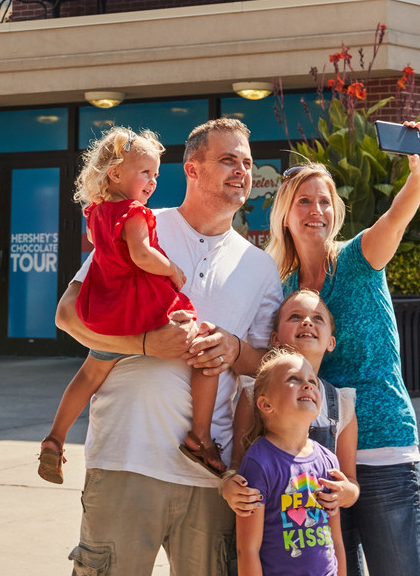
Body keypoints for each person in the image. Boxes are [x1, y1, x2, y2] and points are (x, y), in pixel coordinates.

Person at [55, 118, 283, 576]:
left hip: (208, 474)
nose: (241, 171)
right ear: (191, 169)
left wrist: (233, 350)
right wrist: (145, 344)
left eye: (247, 162)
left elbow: (268, 367)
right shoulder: (138, 224)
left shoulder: (260, 267)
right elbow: (68, 316)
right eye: (227, 160)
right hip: (125, 459)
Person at [267, 121, 420, 576]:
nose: (315, 210)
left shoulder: (359, 259)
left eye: (325, 201)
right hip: (317, 455)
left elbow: (396, 217)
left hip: (385, 450)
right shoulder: (281, 288)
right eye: (304, 201)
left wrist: (418, 176)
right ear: (286, 213)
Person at [39, 127, 222, 484]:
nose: (152, 181)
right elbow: (140, 255)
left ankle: (55, 437)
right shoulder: (135, 212)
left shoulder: (96, 213)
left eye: (155, 174)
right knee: (203, 346)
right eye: (145, 173)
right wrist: (171, 268)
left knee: (90, 373)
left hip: (107, 306)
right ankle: (200, 436)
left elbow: (104, 249)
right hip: (142, 306)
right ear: (116, 173)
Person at [221, 290, 359, 518]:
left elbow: (351, 482)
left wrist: (346, 492)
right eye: (295, 317)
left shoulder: (341, 404)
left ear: (331, 342)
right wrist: (228, 488)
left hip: (316, 540)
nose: (307, 322)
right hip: (264, 535)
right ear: (275, 339)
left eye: (318, 318)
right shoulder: (254, 395)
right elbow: (236, 465)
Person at [234, 348, 346, 576]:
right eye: (293, 379)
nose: (308, 385)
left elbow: (336, 540)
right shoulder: (258, 462)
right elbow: (248, 550)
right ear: (265, 404)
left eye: (312, 381)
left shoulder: (328, 459)